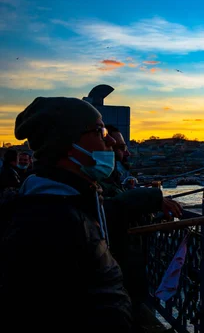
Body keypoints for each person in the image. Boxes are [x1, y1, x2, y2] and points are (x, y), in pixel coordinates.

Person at [0, 97, 133, 332]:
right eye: (100, 131)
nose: (111, 140)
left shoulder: (69, 201)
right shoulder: (52, 223)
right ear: (69, 144)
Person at [100, 125, 183, 331]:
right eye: (119, 148)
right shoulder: (92, 185)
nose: (125, 153)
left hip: (124, 283)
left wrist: (152, 212)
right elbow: (109, 209)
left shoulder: (110, 180)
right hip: (113, 286)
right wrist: (152, 198)